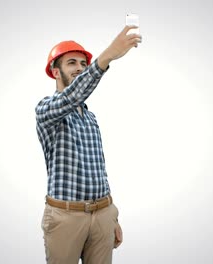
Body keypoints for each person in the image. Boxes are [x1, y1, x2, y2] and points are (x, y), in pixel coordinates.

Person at [35, 25, 141, 264]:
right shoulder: (46, 110)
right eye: (72, 63)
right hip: (65, 217)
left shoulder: (90, 118)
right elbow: (73, 96)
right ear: (55, 71)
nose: (80, 69)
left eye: (83, 64)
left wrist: (111, 215)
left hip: (102, 214)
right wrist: (109, 54)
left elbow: (98, 169)